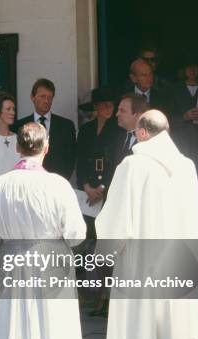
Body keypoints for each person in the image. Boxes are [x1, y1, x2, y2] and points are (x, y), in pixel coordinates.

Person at [96, 110, 198, 339]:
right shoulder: (187, 166)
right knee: (170, 327)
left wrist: (103, 253)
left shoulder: (132, 165)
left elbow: (115, 222)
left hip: (139, 266)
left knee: (139, 329)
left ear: (142, 133)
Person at [0, 122, 86, 339]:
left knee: (12, 328)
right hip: (50, 258)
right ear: (46, 147)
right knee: (52, 327)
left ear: (17, 147)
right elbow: (76, 234)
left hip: (11, 260)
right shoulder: (59, 186)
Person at [76, 87, 124, 315]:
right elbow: (80, 160)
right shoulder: (85, 131)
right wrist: (86, 185)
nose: (106, 109)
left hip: (109, 192)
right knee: (89, 245)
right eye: (102, 105)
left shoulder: (118, 132)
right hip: (88, 195)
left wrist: (103, 188)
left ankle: (107, 297)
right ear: (95, 107)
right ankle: (92, 294)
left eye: (109, 105)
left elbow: (118, 163)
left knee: (108, 244)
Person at [169, 55, 198, 197]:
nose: (192, 70)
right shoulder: (173, 89)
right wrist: (185, 117)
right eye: (189, 67)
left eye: (195, 66)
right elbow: (166, 118)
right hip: (181, 143)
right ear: (184, 70)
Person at [12, 78, 76, 179]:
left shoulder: (66, 126)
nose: (46, 101)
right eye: (42, 96)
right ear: (32, 97)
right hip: (28, 182)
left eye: (50, 97)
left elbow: (71, 158)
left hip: (56, 183)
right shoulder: (20, 126)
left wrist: (60, 180)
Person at [112, 93, 150, 166]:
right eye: (118, 110)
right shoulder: (115, 135)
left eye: (122, 111)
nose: (117, 114)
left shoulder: (149, 140)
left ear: (137, 115)